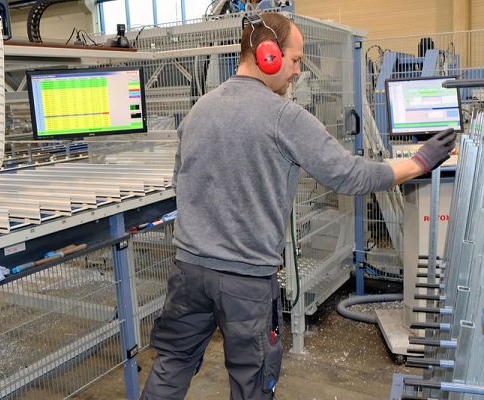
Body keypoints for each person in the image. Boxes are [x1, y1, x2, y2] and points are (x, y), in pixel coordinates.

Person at [140, 11, 456, 400]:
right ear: (268, 55)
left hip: (188, 272)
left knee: (172, 364)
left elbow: (180, 181)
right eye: (294, 61)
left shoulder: (199, 110)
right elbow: (348, 175)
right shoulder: (283, 117)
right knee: (252, 381)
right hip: (246, 281)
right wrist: (419, 162)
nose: (297, 73)